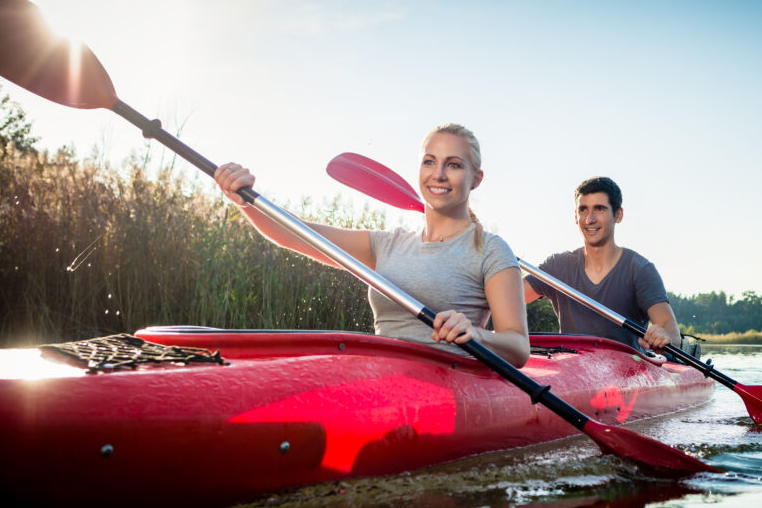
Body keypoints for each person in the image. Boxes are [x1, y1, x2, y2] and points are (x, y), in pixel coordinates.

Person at [214, 123, 531, 368]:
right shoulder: (387, 244)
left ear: (476, 178)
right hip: (382, 375)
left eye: (454, 165)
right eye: (429, 162)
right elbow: (295, 234)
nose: (438, 174)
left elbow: (518, 347)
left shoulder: (491, 249)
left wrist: (476, 334)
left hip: (451, 381)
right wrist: (247, 201)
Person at [522, 176, 682, 354]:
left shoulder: (640, 270)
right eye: (583, 209)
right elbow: (510, 296)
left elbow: (671, 332)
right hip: (573, 370)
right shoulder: (558, 267)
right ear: (576, 216)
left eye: (599, 209)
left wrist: (662, 335)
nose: (589, 219)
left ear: (618, 215)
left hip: (626, 373)